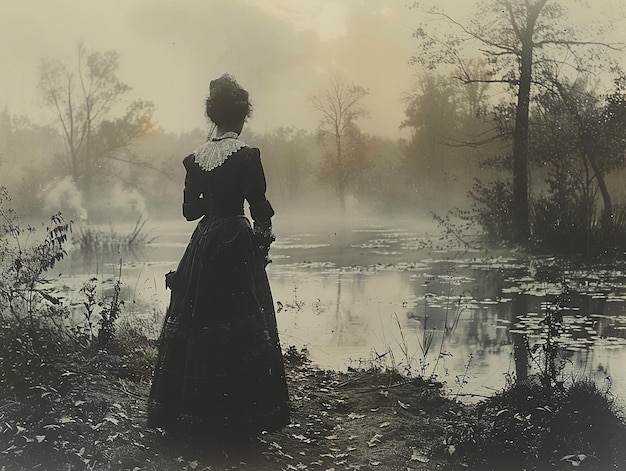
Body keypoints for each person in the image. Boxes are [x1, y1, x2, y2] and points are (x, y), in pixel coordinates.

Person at [147, 74, 290, 444]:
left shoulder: (194, 159)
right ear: (241, 117)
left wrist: (211, 202)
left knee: (201, 323)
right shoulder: (247, 156)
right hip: (237, 242)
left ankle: (198, 411)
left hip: (204, 243)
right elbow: (261, 211)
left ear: (214, 116)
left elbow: (189, 212)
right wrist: (262, 244)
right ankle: (238, 415)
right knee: (240, 324)